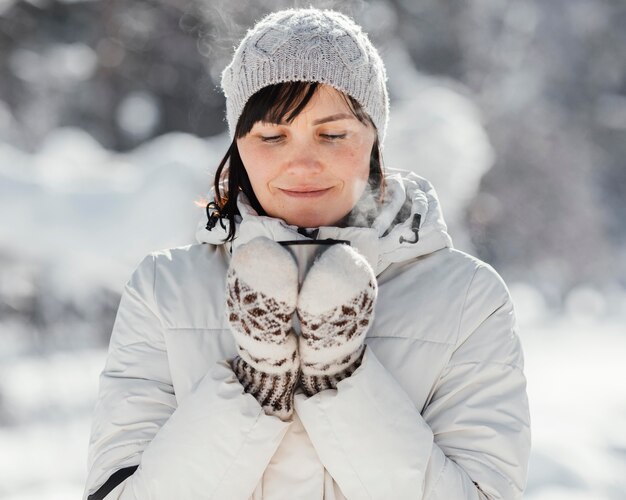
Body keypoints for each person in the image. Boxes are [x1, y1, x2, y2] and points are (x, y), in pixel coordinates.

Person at [83, 7, 531, 500]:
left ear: (374, 140)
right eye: (272, 135)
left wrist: (341, 376)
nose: (302, 162)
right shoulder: (161, 290)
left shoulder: (469, 299)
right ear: (238, 145)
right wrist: (256, 383)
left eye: (333, 133)